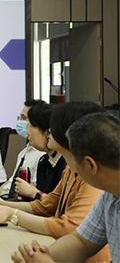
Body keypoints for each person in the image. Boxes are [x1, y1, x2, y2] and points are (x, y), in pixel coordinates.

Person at [0, 101, 111, 263]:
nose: (49, 132)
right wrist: (40, 255)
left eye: (53, 127)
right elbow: (78, 238)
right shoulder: (73, 170)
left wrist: (13, 215)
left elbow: (69, 227)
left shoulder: (93, 179)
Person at [11, 112, 120, 263]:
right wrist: (37, 256)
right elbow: (81, 242)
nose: (70, 167)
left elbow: (69, 228)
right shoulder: (109, 196)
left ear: (90, 165)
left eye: (72, 160)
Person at [0, 100, 48, 199]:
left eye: (24, 118)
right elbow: (10, 181)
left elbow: (33, 189)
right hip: (6, 198)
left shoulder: (41, 155)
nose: (20, 121)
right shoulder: (24, 151)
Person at [13, 103, 66, 200]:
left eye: (31, 126)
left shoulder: (65, 164)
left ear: (47, 132)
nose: (28, 132)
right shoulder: (44, 161)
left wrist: (34, 193)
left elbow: (59, 204)